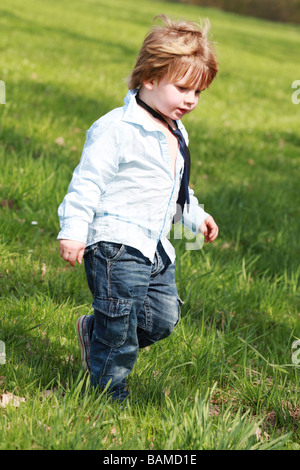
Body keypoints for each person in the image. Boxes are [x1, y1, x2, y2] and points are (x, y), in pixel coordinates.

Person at [58, 14, 219, 402]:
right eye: (182, 88)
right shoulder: (117, 128)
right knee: (120, 328)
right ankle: (108, 393)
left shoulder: (177, 132)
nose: (190, 100)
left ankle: (94, 334)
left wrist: (195, 216)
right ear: (149, 78)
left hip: (155, 247)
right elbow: (87, 181)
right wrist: (74, 230)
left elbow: (174, 189)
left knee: (162, 319)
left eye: (197, 93)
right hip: (115, 244)